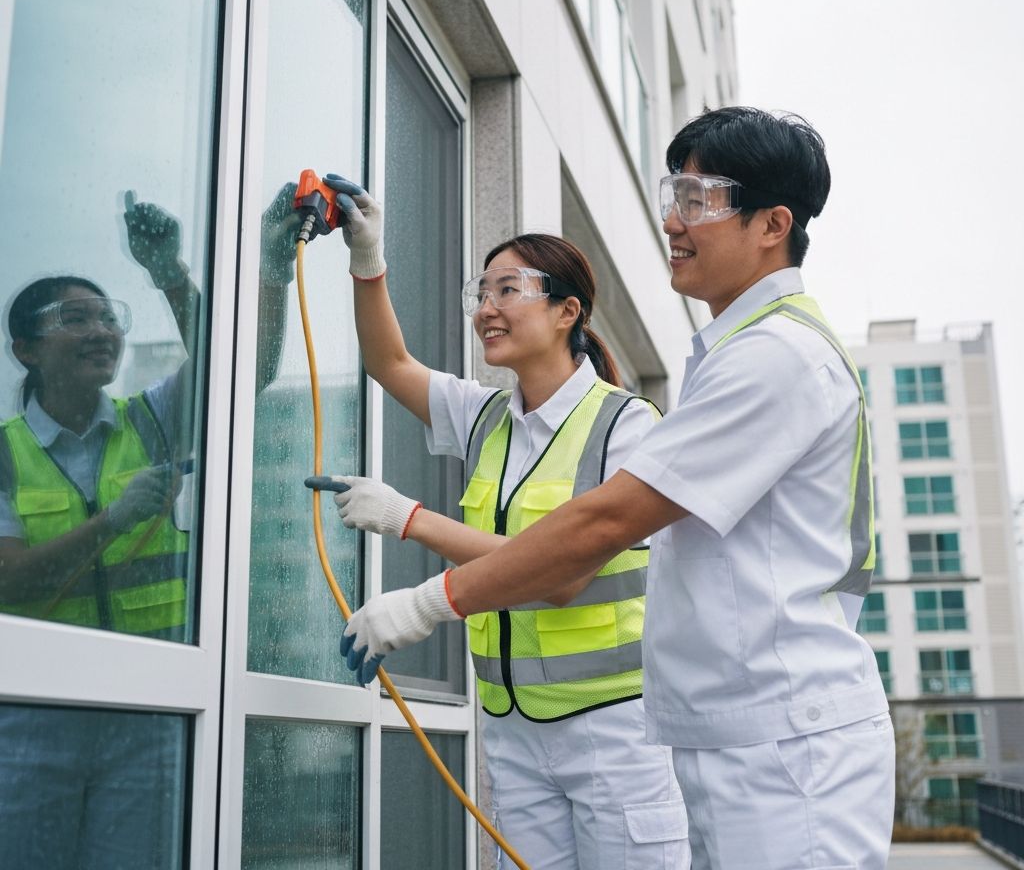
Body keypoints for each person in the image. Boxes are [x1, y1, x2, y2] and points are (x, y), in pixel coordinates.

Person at [337, 108, 896, 870]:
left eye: (699, 201)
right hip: (707, 732)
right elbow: (391, 364)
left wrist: (427, 590)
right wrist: (368, 257)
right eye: (675, 196)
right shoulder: (728, 355)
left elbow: (600, 530)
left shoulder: (771, 359)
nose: (674, 219)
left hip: (751, 740)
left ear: (773, 224)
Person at [316, 173, 689, 869]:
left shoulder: (626, 427)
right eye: (480, 293)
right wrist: (368, 259)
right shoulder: (485, 416)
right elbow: (387, 361)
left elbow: (560, 573)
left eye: (507, 290)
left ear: (566, 311)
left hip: (617, 732)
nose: (486, 307)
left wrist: (410, 519)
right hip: (513, 730)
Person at [0, 188, 299, 869]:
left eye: (109, 318)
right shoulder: (1, 452)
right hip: (29, 715)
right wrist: (113, 520)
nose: (103, 331)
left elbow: (242, 370)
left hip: (151, 713)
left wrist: (173, 271)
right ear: (26, 349)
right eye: (76, 319)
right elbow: (8, 576)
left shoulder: (149, 419)